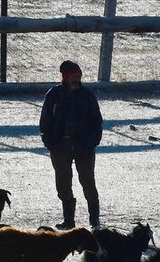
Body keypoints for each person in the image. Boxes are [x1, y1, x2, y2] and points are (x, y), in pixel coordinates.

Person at [39, 60, 104, 229]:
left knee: (88, 181)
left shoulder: (87, 96)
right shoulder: (53, 95)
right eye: (73, 77)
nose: (77, 79)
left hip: (84, 147)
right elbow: (45, 122)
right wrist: (50, 142)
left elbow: (97, 122)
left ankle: (94, 219)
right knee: (63, 184)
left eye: (78, 76)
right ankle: (69, 221)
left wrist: (91, 141)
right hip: (60, 147)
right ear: (65, 78)